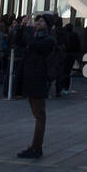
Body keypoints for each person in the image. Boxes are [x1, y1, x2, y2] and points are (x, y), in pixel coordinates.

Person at [18, 14, 55, 159]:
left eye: (41, 21)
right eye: (37, 20)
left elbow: (34, 45)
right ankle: (35, 146)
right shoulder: (36, 36)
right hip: (31, 77)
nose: (37, 23)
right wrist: (22, 28)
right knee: (37, 113)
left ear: (47, 25)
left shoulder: (48, 40)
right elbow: (20, 42)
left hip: (38, 79)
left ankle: (36, 147)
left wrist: (28, 32)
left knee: (40, 114)